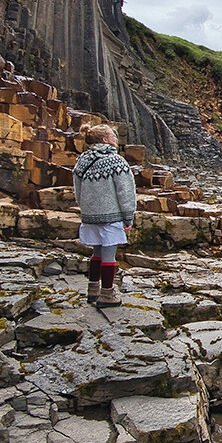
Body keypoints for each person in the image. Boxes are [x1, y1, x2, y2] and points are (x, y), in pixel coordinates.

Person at [72, 124, 136, 308]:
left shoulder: (82, 160)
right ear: (105, 140)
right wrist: (128, 216)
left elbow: (78, 190)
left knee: (96, 252)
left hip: (90, 215)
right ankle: (107, 294)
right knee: (109, 254)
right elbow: (125, 192)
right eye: (113, 136)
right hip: (111, 215)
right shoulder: (116, 161)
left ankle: (93, 289)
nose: (116, 139)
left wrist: (85, 208)